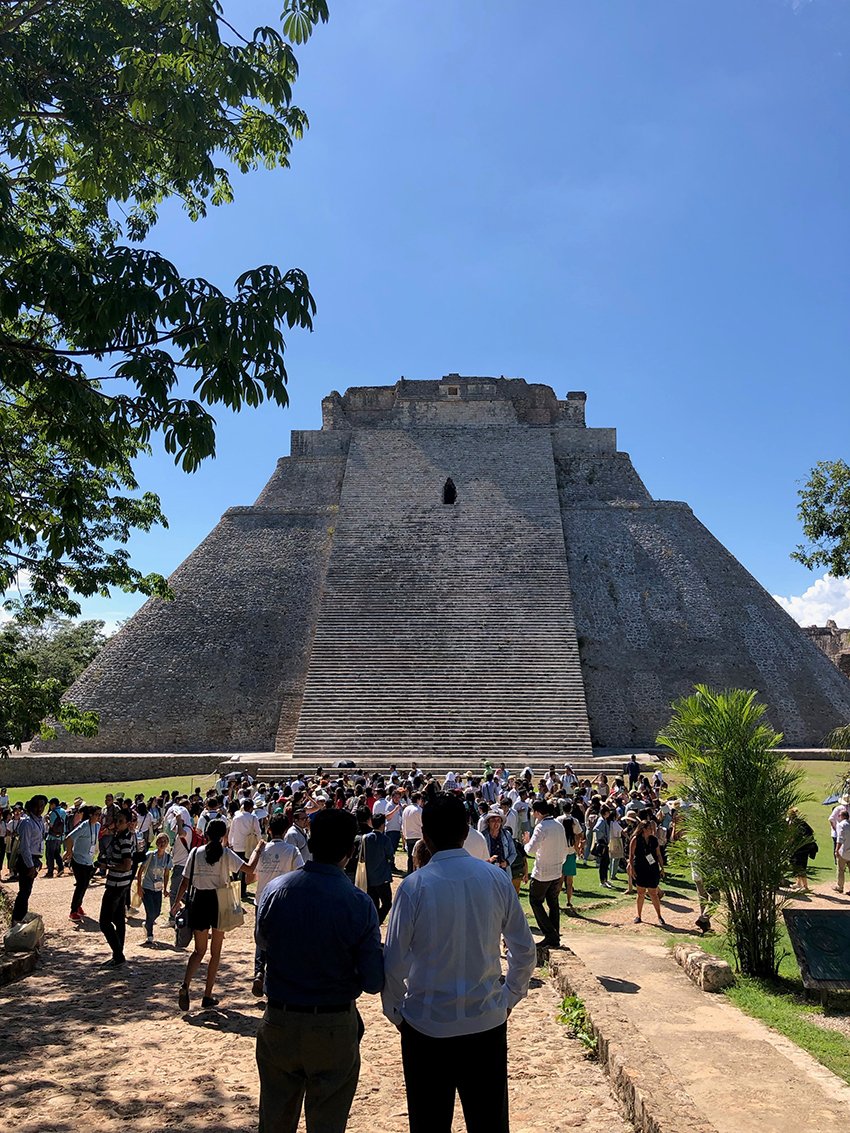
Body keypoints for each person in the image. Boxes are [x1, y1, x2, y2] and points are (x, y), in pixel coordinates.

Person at [383, 793, 536, 1133]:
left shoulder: (413, 886)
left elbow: (393, 961)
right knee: (489, 1123)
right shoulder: (495, 879)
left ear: (424, 834)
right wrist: (509, 997)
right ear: (466, 832)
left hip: (426, 1024)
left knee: (428, 1123)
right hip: (485, 1021)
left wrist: (396, 1012)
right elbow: (524, 951)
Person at [254, 809, 384, 1133]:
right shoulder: (358, 903)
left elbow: (263, 942)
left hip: (280, 1017)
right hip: (332, 1023)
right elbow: (373, 981)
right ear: (350, 851)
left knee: (274, 1120)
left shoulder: (274, 891)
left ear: (309, 843)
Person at [173, 818, 253, 1011]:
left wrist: (176, 903)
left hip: (199, 901)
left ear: (205, 835)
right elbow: (249, 870)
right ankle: (207, 995)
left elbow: (185, 882)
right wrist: (257, 851)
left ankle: (185, 985)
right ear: (224, 835)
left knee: (198, 951)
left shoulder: (195, 852)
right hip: (219, 902)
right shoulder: (226, 854)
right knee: (215, 953)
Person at [248, 814, 304, 997]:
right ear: (286, 830)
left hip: (262, 899)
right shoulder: (292, 850)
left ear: (269, 830)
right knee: (281, 938)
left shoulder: (261, 850)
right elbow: (301, 873)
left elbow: (249, 877)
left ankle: (259, 970)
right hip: (284, 900)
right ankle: (275, 975)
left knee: (261, 937)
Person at [524, 800, 567, 948]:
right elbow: (564, 849)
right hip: (556, 870)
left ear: (537, 812)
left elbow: (530, 850)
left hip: (542, 872)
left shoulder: (541, 827)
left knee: (535, 901)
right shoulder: (558, 825)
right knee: (553, 903)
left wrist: (526, 843)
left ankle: (550, 934)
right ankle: (554, 934)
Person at [97, 807, 135, 966]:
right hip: (123, 883)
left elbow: (126, 865)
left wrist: (107, 867)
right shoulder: (124, 835)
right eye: (117, 820)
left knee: (104, 922)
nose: (117, 824)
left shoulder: (124, 839)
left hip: (117, 884)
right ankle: (118, 954)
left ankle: (118, 954)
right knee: (118, 919)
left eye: (121, 821)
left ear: (128, 823)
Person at [12, 796, 46, 924]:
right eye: (37, 806)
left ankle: (21, 917)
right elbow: (25, 847)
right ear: (31, 806)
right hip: (27, 859)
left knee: (27, 890)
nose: (40, 809)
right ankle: (17, 918)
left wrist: (38, 859)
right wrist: (30, 865)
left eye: (42, 806)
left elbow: (37, 842)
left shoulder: (40, 820)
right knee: (24, 891)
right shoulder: (27, 823)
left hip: (34, 858)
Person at [64, 804, 101, 920]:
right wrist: (69, 852)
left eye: (100, 815)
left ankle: (78, 905)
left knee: (84, 885)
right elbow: (69, 838)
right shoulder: (84, 826)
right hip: (78, 860)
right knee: (81, 885)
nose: (99, 817)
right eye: (96, 814)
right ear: (90, 815)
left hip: (89, 861)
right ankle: (73, 910)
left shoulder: (97, 826)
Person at [627, 819, 666, 925]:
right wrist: (631, 868)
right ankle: (638, 915)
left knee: (653, 893)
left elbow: (658, 854)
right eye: (649, 828)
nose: (652, 830)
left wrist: (662, 867)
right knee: (641, 893)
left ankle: (659, 916)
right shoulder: (635, 839)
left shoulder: (654, 840)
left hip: (652, 868)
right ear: (643, 829)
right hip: (640, 867)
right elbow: (631, 855)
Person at [136, 833, 172, 944]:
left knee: (157, 912)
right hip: (147, 888)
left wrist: (165, 889)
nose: (162, 844)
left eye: (164, 842)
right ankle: (150, 935)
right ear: (156, 843)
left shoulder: (167, 858)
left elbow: (166, 874)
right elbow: (140, 870)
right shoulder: (150, 855)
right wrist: (139, 887)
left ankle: (147, 924)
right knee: (150, 912)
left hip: (158, 889)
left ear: (167, 844)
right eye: (160, 841)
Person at [361, 811, 395, 924]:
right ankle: (377, 922)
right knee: (387, 903)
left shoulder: (365, 838)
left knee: (374, 903)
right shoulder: (385, 839)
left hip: (369, 877)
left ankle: (373, 924)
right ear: (382, 825)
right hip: (382, 877)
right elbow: (390, 856)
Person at [44, 797, 67, 877]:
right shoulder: (64, 811)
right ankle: (61, 868)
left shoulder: (53, 813)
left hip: (52, 836)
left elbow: (51, 825)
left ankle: (50, 872)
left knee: (50, 854)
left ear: (53, 804)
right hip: (60, 836)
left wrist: (47, 819)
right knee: (57, 853)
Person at [401, 791, 423, 874]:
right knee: (418, 857)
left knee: (410, 857)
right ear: (418, 799)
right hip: (418, 836)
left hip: (409, 836)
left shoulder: (406, 809)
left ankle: (409, 872)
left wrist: (404, 835)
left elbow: (403, 823)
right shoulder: (419, 810)